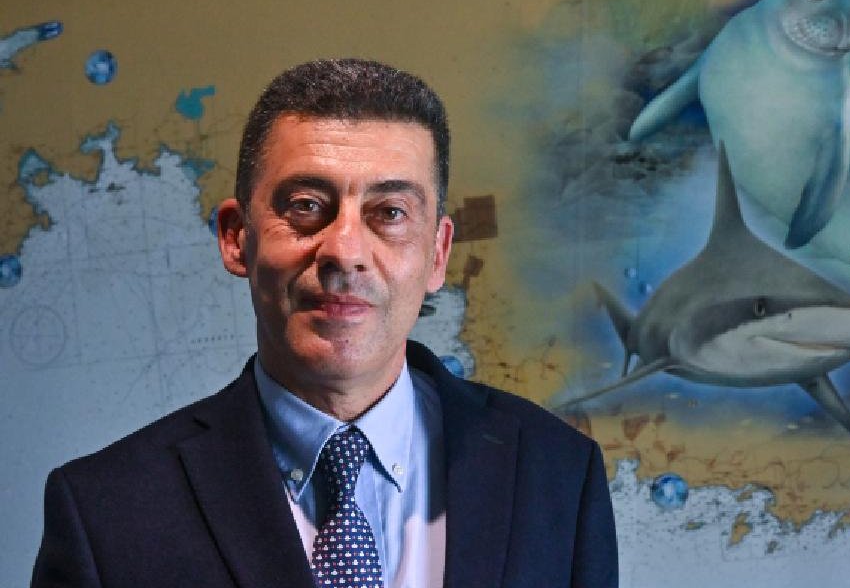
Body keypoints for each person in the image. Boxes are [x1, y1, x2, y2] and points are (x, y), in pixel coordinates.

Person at [31, 59, 618, 588]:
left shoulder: (558, 476)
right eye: (307, 206)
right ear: (236, 238)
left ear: (438, 255)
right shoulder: (104, 512)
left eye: (390, 212)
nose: (345, 251)